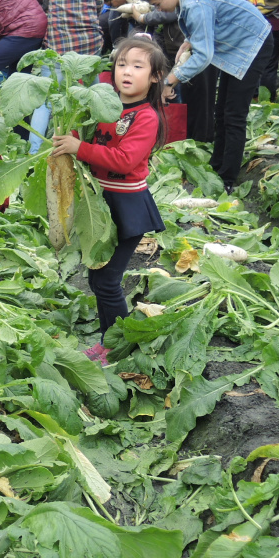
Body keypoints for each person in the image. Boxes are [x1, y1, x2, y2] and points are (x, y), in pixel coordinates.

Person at [51, 37, 167, 363]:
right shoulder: (105, 104)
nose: (126, 72)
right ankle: (110, 340)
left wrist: (79, 149)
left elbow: (124, 160)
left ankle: (116, 347)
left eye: (137, 66)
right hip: (100, 205)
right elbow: (87, 138)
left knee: (107, 281)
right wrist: (69, 139)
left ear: (155, 76)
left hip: (128, 207)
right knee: (98, 277)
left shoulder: (146, 117)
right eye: (121, 64)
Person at [140, 0, 270, 191]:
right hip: (235, 43)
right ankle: (217, 166)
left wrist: (169, 81)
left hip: (252, 44)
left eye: (158, 3)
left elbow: (204, 56)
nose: (158, 9)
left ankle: (227, 179)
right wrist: (188, 41)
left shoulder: (195, 3)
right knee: (221, 112)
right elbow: (207, 26)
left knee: (234, 115)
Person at [156, 0, 217, 142]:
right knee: (202, 100)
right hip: (199, 39)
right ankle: (200, 141)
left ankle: (194, 144)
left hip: (195, 43)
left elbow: (169, 10)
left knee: (194, 100)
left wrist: (143, 16)